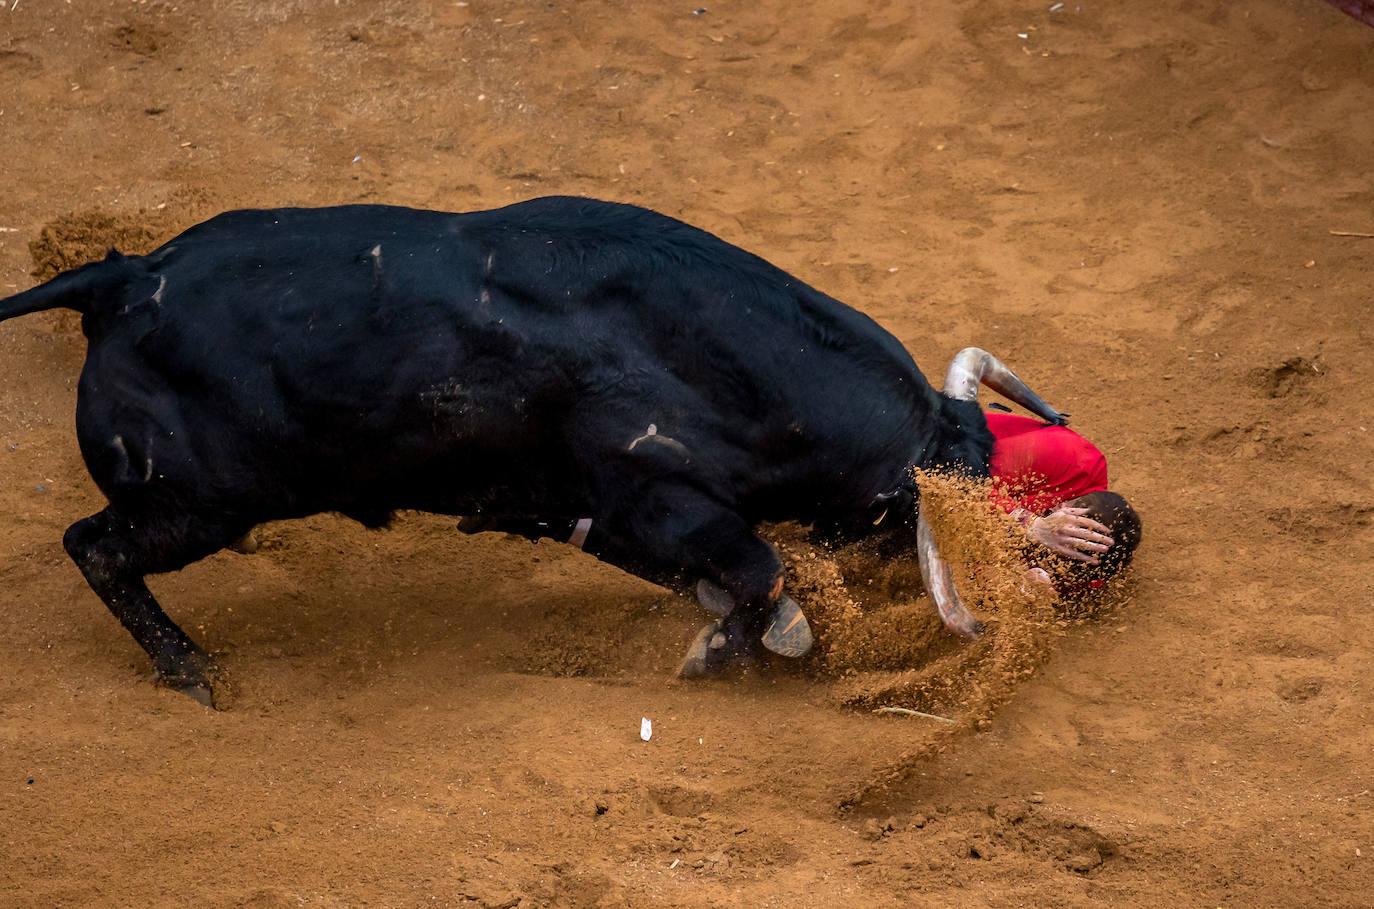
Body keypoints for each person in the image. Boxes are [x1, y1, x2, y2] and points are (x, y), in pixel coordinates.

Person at [983, 408, 1141, 594]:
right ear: (1064, 508)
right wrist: (1029, 524)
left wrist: (1022, 583)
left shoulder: (1089, 562)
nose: (1042, 555)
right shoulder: (1065, 454)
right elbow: (957, 478)